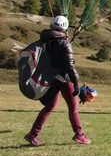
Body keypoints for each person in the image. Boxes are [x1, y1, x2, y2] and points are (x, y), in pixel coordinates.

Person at [24, 16, 91, 146]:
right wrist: (76, 83)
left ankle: (33, 134)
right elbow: (70, 65)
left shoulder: (45, 39)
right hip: (65, 79)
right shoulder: (64, 43)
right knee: (73, 108)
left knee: (49, 106)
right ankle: (79, 135)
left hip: (52, 78)